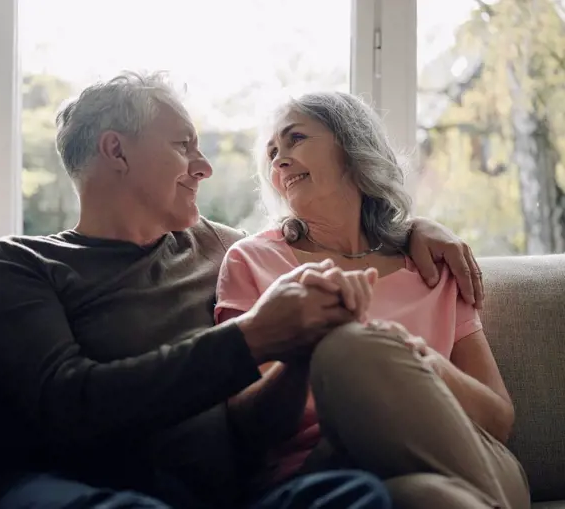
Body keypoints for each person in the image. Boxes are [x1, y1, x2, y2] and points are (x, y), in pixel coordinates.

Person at [0, 72, 485, 509]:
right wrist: (253, 337)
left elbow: (327, 234)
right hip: (80, 486)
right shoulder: (20, 264)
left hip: (221, 495)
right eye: (183, 146)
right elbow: (67, 404)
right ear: (115, 151)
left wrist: (413, 229)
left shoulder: (222, 248)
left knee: (356, 495)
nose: (204, 166)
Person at [214, 90, 530, 508]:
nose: (279, 159)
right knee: (435, 499)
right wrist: (308, 350)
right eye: (271, 152)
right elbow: (247, 425)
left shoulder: (430, 265)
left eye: (296, 139)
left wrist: (417, 360)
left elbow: (497, 420)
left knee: (432, 489)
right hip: (331, 471)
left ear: (351, 144)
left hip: (477, 459)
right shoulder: (251, 261)